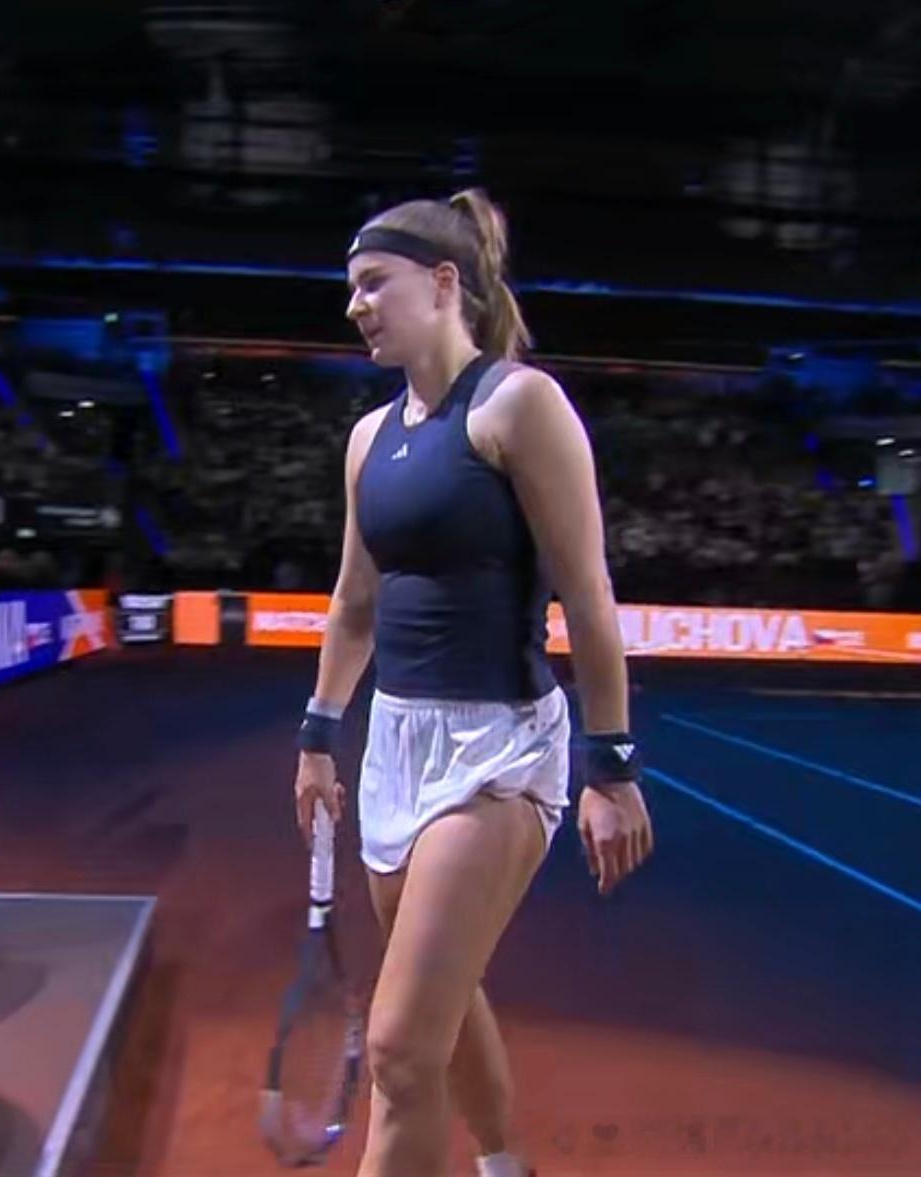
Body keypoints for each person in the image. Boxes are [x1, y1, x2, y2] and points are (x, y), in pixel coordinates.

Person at [292, 189, 654, 1177]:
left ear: (444, 282)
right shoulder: (368, 439)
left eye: (374, 283)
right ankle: (504, 1167)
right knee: (442, 1009)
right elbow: (353, 603)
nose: (355, 306)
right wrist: (319, 735)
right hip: (393, 748)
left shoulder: (518, 405)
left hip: (499, 751)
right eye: (351, 289)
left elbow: (587, 594)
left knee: (399, 1050)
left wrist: (611, 766)